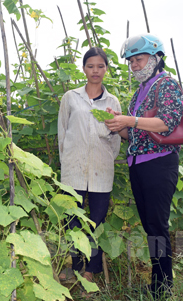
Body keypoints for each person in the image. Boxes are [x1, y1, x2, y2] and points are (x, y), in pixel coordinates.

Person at [104, 34, 183, 299]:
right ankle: (156, 283)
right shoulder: (140, 92)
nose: (134, 65)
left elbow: (166, 123)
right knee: (150, 226)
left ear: (156, 57)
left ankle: (164, 287)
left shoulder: (166, 85)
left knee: (158, 225)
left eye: (139, 60)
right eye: (131, 62)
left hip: (160, 164)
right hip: (138, 165)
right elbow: (134, 135)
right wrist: (120, 125)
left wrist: (131, 120)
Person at [57, 47, 121, 289]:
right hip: (73, 170)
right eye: (91, 66)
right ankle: (74, 265)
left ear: (106, 69)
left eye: (100, 66)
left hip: (101, 172)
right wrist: (69, 161)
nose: (96, 70)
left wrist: (105, 158)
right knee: (72, 221)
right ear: (84, 68)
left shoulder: (112, 101)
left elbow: (115, 138)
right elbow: (62, 133)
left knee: (95, 222)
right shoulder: (70, 97)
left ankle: (92, 269)